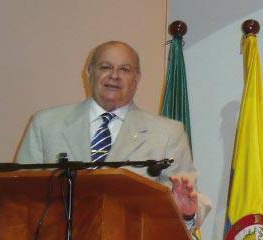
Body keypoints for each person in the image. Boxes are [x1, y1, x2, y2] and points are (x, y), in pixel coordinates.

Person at [17, 41, 211, 226]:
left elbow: (193, 199)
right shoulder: (46, 124)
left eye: (124, 69)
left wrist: (187, 212)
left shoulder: (167, 133)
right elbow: (18, 193)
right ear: (89, 72)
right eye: (105, 67)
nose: (114, 75)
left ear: (136, 79)